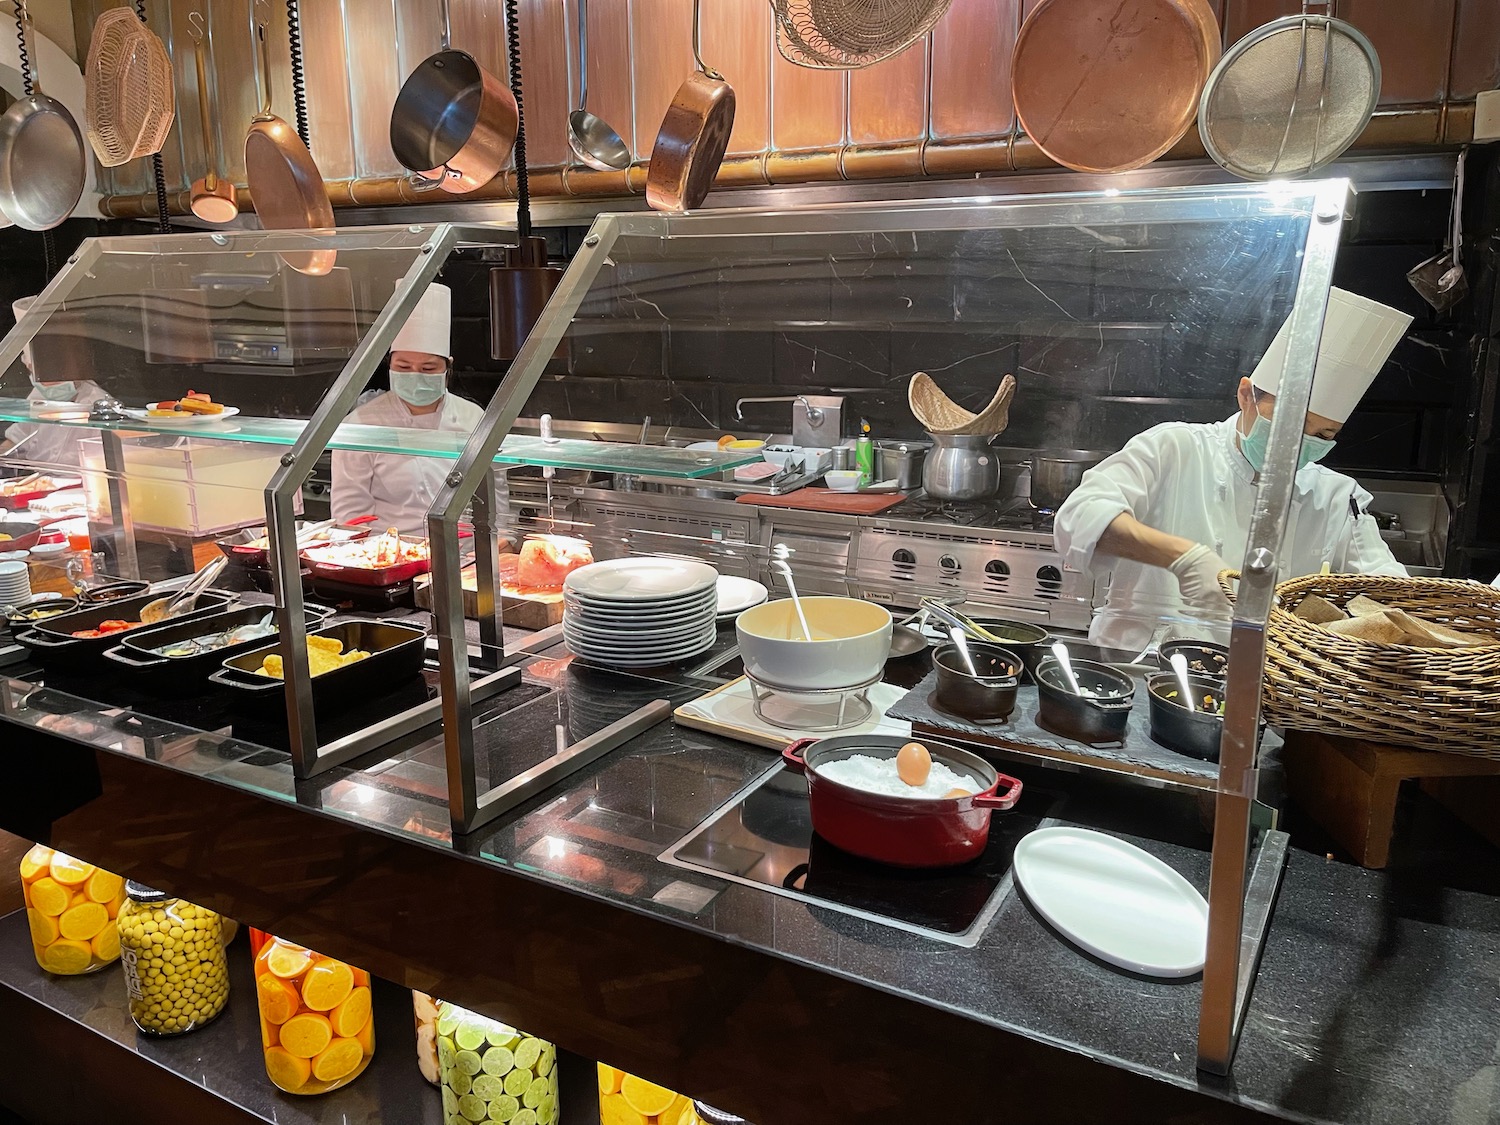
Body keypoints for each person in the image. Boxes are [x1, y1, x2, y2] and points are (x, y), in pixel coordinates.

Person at [1055, 287, 1412, 652]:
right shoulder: (1173, 448)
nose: (1302, 442)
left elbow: (1390, 592)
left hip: (1265, 684)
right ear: (1246, 395)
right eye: (1290, 421)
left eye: (1324, 434)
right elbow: (1079, 518)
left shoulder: (1336, 497)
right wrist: (1182, 558)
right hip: (1140, 672)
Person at [331, 283, 486, 535]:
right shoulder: (360, 425)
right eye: (403, 367)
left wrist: (502, 542)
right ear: (390, 365)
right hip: (391, 555)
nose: (415, 376)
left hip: (467, 552)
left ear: (448, 367)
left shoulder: (474, 418)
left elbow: (493, 491)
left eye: (428, 369)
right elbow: (349, 515)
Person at [0, 297, 109, 469]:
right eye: (32, 371)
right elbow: (16, 440)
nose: (45, 381)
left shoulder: (98, 404)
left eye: (51, 370)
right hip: (39, 486)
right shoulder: (38, 397)